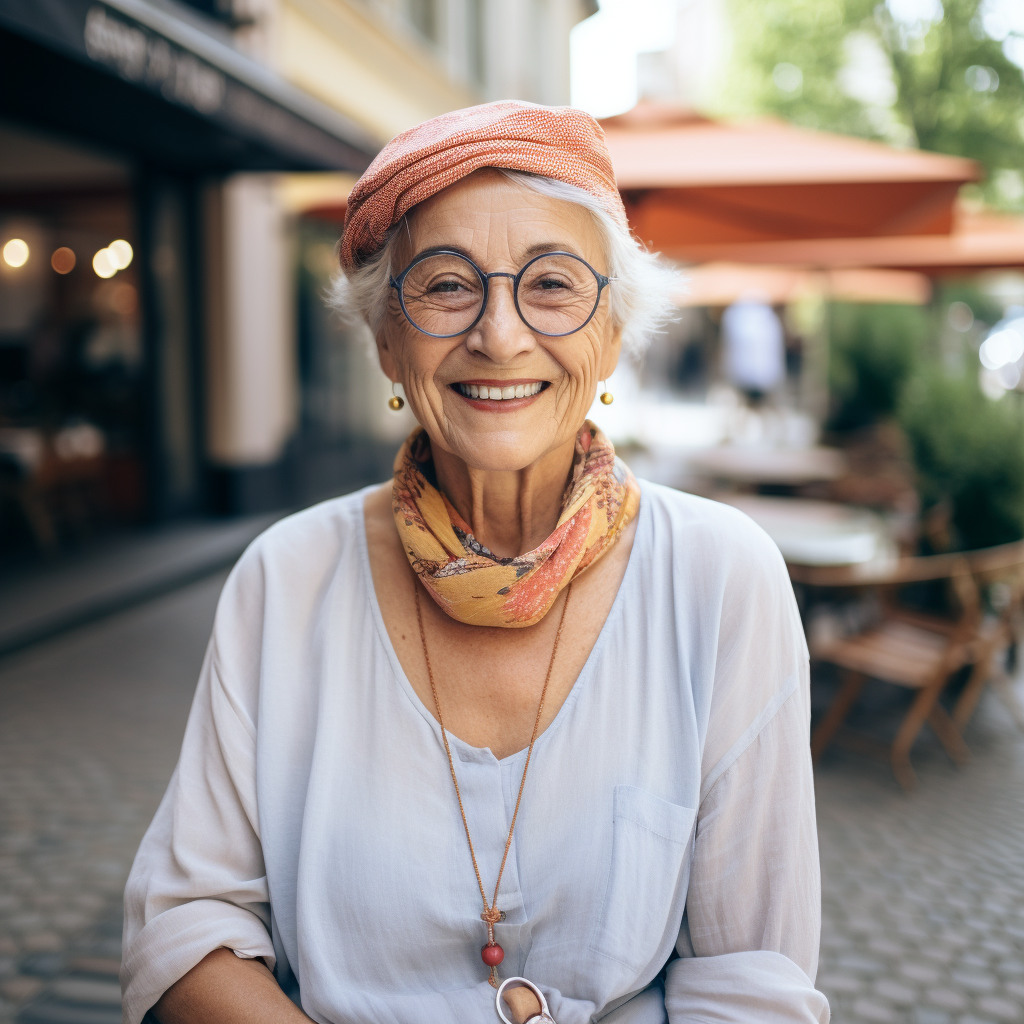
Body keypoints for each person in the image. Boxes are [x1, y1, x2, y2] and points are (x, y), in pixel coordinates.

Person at [121, 101, 829, 1024]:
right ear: (386, 339)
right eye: (447, 286)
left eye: (553, 284)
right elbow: (183, 921)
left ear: (611, 333)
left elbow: (753, 987)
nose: (499, 334)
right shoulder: (285, 578)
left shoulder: (720, 578)